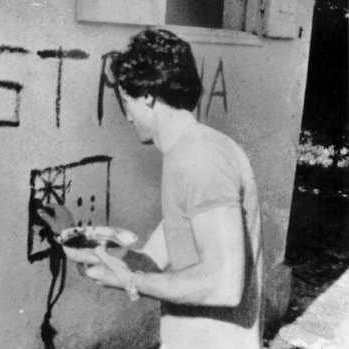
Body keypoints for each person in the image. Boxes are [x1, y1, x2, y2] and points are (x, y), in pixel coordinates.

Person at [38, 29, 263, 349]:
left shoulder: (200, 157)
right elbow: (148, 262)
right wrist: (69, 235)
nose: (127, 116)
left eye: (125, 100)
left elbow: (223, 285)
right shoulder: (189, 151)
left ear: (147, 96)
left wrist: (131, 281)